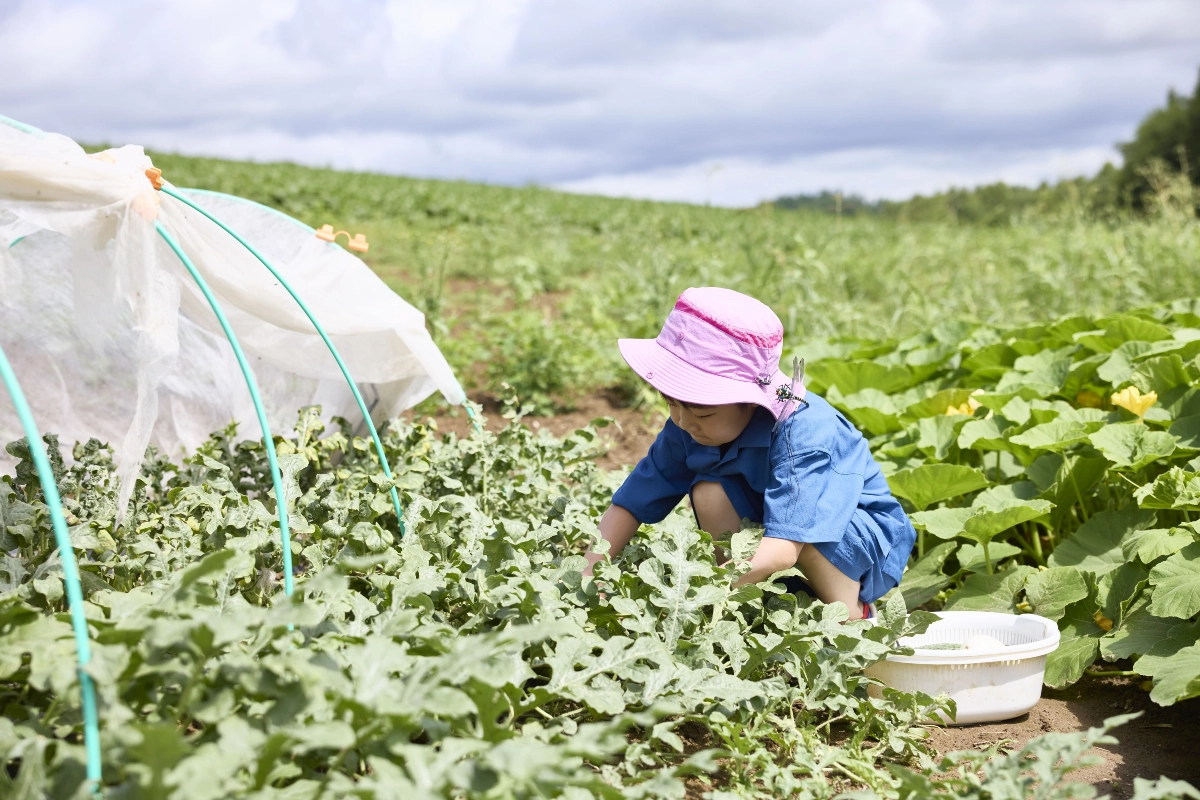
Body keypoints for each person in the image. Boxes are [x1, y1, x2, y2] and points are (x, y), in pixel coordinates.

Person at [582, 287, 916, 620]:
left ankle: (851, 616)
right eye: (670, 403)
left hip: (858, 538)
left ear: (750, 402)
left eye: (701, 414)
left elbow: (785, 547)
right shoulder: (690, 423)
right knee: (709, 490)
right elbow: (632, 502)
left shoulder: (804, 428)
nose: (683, 422)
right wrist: (589, 575)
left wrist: (702, 593)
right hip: (774, 531)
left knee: (809, 530)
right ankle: (746, 607)